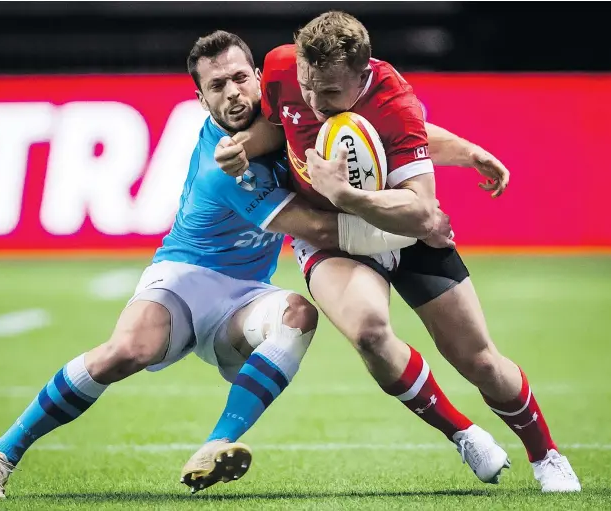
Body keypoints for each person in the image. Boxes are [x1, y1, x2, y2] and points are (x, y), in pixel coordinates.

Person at [0, 30, 421, 499]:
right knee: (126, 352)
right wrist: (412, 225)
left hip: (245, 294)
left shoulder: (288, 121)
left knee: (297, 316)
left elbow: (387, 134)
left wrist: (465, 156)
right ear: (201, 99)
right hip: (184, 279)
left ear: (260, 78)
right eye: (217, 86)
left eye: (241, 78)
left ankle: (215, 445)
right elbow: (320, 230)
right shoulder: (223, 166)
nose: (233, 93)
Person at [215, 12, 581, 493]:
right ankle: (462, 432)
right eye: (308, 86)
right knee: (369, 333)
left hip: (400, 231)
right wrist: (242, 145)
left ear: (362, 74)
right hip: (331, 237)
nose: (315, 101)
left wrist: (352, 197)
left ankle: (546, 455)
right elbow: (279, 125)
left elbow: (423, 214)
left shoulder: (394, 99)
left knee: (480, 362)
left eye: (329, 92)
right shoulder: (285, 67)